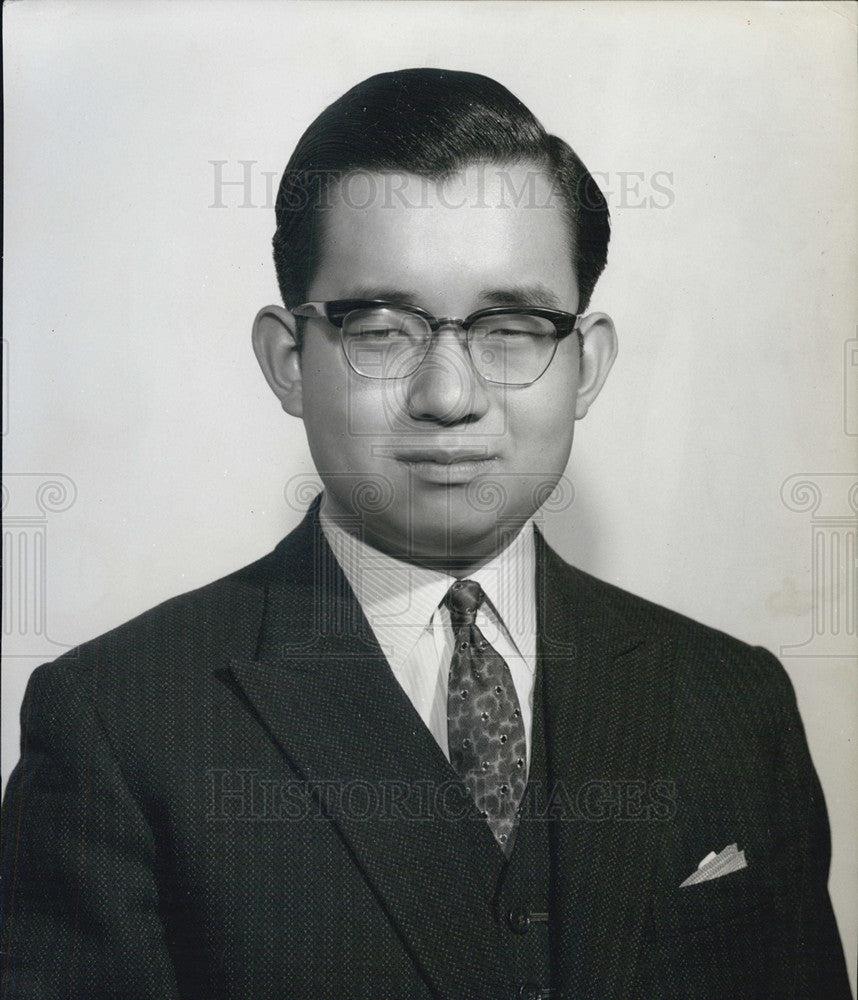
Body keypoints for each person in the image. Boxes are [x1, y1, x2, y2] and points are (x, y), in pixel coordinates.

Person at [1, 68, 850, 1000]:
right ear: (289, 362)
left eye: (512, 327)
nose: (449, 396)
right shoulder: (119, 721)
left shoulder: (734, 700)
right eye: (381, 328)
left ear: (588, 363)